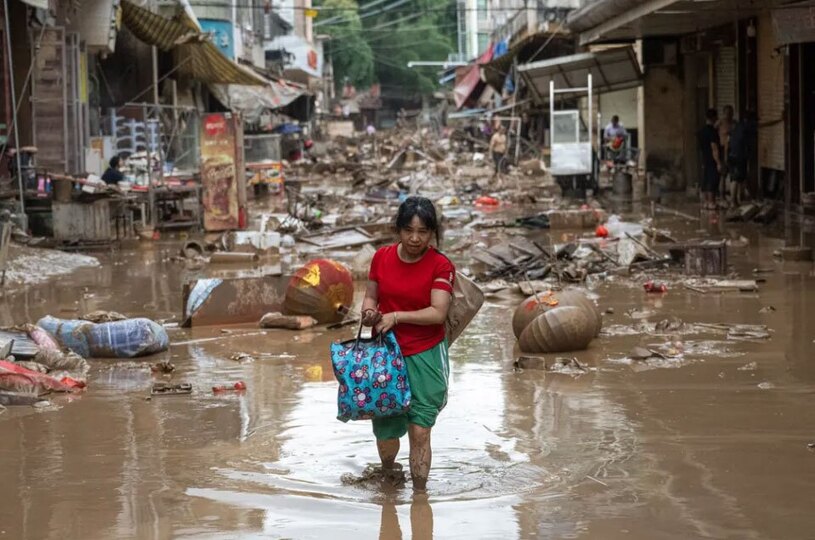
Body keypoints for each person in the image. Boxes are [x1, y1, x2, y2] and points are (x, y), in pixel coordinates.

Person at [360, 196, 455, 495]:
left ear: (432, 233)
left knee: (420, 429)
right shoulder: (382, 258)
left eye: (423, 231)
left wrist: (397, 317)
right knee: (386, 429)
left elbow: (438, 312)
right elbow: (371, 296)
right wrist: (369, 314)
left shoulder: (440, 264)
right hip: (386, 355)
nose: (415, 238)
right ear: (398, 230)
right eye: (409, 230)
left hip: (425, 354)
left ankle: (420, 496)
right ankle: (389, 476)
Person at [727, 109, 755, 206]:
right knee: (736, 179)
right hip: (739, 156)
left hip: (731, 155)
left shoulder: (736, 126)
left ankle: (737, 200)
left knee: (736, 179)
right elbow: (762, 126)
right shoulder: (746, 127)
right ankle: (733, 201)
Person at [698, 108, 722, 210]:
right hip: (712, 159)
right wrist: (718, 162)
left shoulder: (701, 131)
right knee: (713, 180)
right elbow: (714, 148)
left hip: (704, 158)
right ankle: (712, 202)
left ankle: (705, 202)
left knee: (705, 179)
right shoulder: (713, 132)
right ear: (714, 117)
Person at [716, 105, 735, 201]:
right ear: (724, 113)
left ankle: (734, 196)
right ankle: (722, 195)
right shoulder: (720, 123)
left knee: (733, 174)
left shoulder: (734, 123)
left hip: (733, 149)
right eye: (727, 113)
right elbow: (713, 131)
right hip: (723, 149)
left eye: (731, 113)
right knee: (723, 174)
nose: (729, 115)